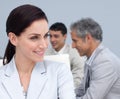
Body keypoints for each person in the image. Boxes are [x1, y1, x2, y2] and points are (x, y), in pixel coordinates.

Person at [0, 4, 75, 99]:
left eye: (45, 36)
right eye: (34, 37)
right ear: (13, 39)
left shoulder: (60, 72)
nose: (44, 45)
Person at [70, 18, 120, 99]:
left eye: (75, 41)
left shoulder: (105, 62)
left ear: (88, 38)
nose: (72, 46)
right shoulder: (92, 59)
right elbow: (81, 90)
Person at [45, 22, 86, 89]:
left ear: (65, 37)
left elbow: (78, 77)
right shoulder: (45, 53)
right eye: (50, 36)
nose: (52, 40)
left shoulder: (75, 53)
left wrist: (64, 90)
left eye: (56, 36)